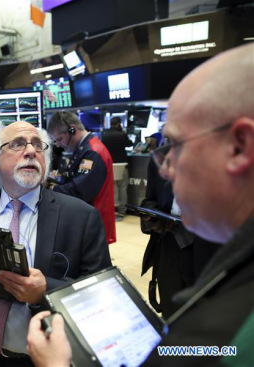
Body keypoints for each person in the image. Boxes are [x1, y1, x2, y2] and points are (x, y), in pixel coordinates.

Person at [27, 43, 254, 366]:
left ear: (239, 146)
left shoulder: (227, 334)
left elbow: (207, 351)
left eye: (175, 144)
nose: (164, 167)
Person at [0, 121, 111, 367]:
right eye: (18, 144)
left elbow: (101, 296)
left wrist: (44, 292)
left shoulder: (80, 217)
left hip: (42, 357)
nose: (31, 151)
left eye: (38, 145)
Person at [140, 159, 220, 319]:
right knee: (171, 312)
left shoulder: (224, 155)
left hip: (210, 250)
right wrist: (152, 217)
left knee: (206, 316)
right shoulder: (160, 158)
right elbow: (150, 200)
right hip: (169, 245)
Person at [47, 111, 116, 244]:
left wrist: (51, 188)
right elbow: (72, 177)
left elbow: (79, 191)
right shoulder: (82, 148)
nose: (58, 145)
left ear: (72, 130)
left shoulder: (92, 152)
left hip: (93, 221)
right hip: (85, 218)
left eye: (60, 139)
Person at [101, 116, 133, 220]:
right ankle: (122, 211)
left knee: (112, 189)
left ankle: (113, 211)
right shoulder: (121, 134)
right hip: (122, 164)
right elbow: (129, 144)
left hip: (110, 165)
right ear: (119, 123)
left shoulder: (105, 135)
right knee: (122, 187)